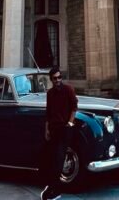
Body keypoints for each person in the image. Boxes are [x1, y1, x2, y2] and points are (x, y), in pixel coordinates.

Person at [41, 66, 78, 200]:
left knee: (59, 158)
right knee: (51, 158)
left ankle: (56, 190)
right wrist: (47, 129)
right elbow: (48, 113)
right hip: (53, 129)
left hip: (64, 129)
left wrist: (70, 123)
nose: (57, 80)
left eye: (59, 77)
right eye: (55, 78)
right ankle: (51, 186)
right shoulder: (50, 93)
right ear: (51, 79)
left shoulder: (68, 89)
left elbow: (74, 107)